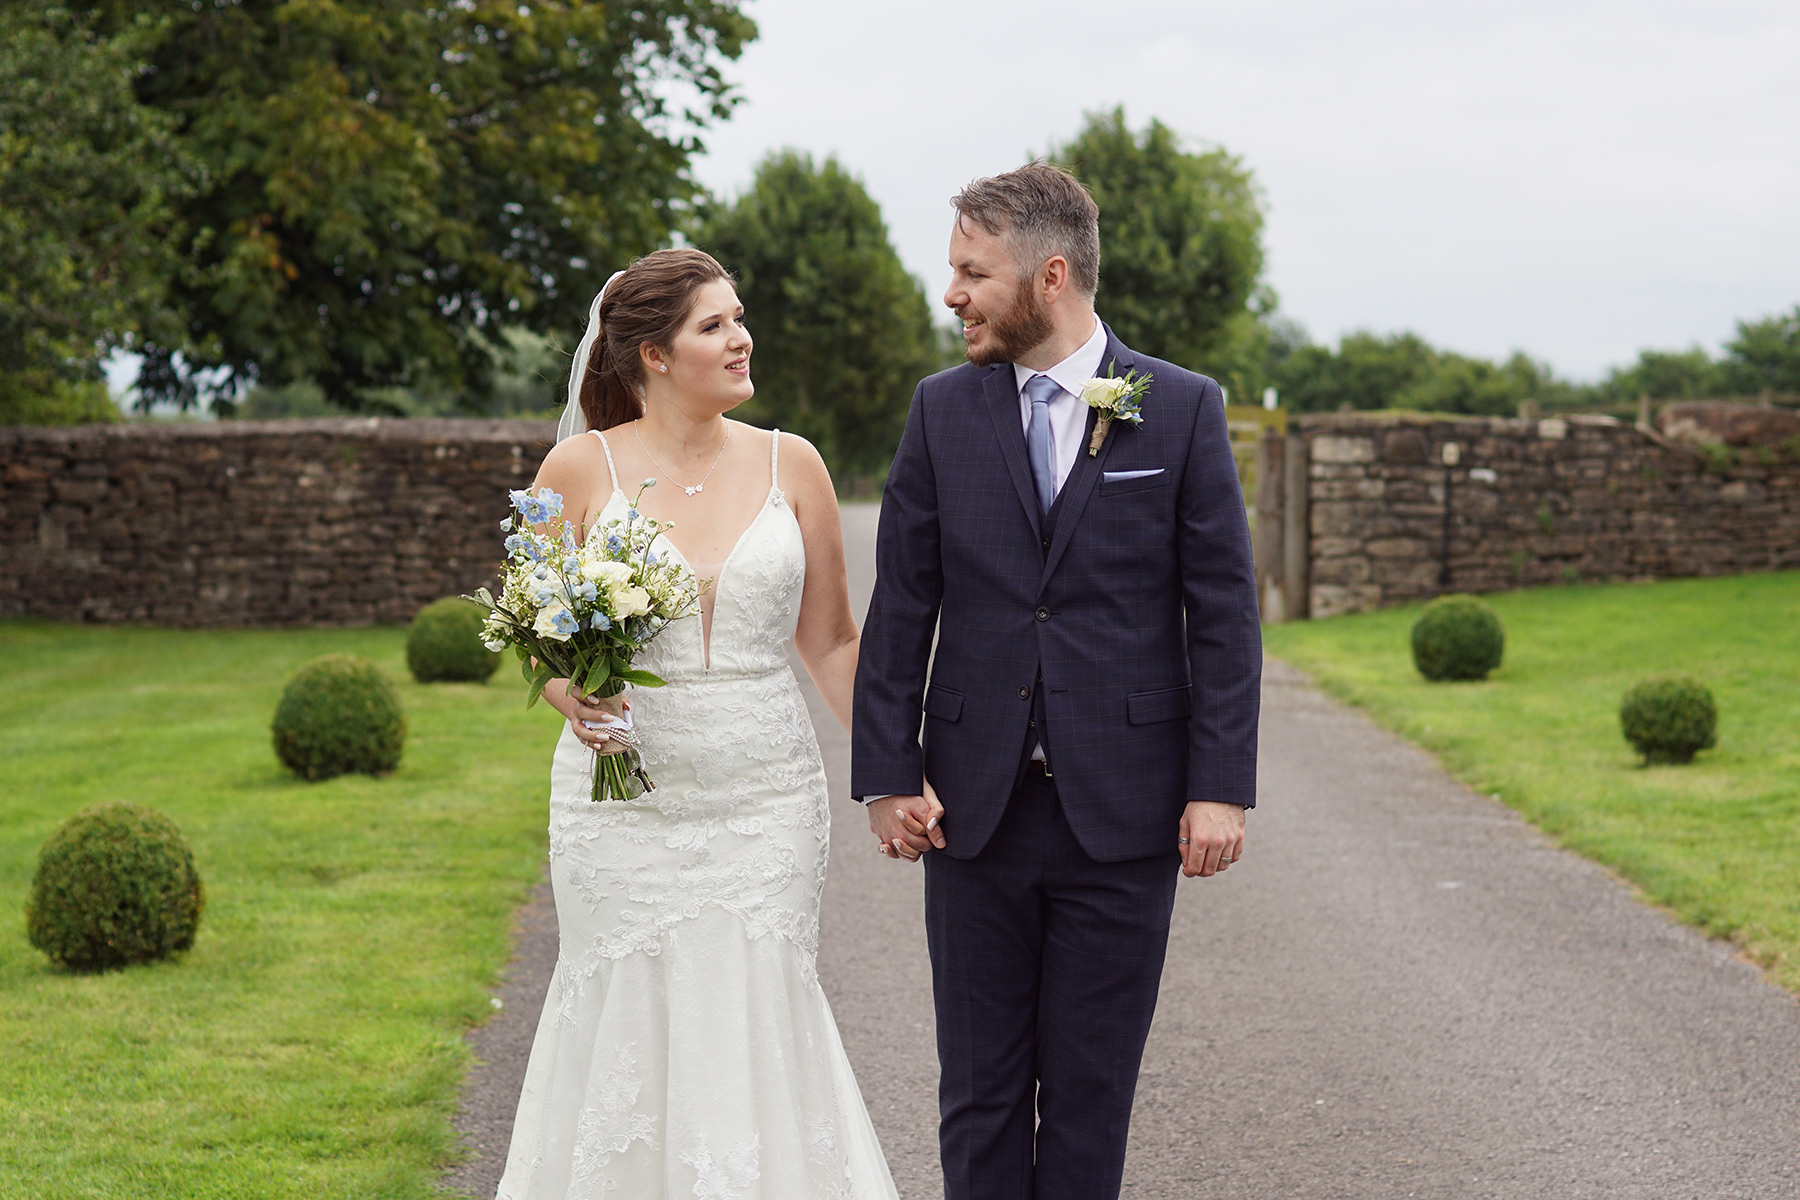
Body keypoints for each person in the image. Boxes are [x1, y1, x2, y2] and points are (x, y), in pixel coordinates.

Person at [851, 163, 1262, 1200]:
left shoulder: (1181, 409)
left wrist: (1221, 785)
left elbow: (1222, 618)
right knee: (981, 1093)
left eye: (969, 273)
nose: (950, 294)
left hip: (1124, 817)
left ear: (1050, 275)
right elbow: (903, 605)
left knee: (1089, 1095)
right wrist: (887, 774)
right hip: (970, 813)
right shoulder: (940, 412)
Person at [494, 247, 900, 1199]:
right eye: (714, 324)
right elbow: (537, 638)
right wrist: (573, 696)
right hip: (623, 809)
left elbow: (835, 642)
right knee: (626, 1008)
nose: (741, 337)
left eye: (739, 317)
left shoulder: (792, 463)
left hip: (767, 798)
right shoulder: (576, 468)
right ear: (653, 354)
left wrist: (894, 769)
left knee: (759, 1004)